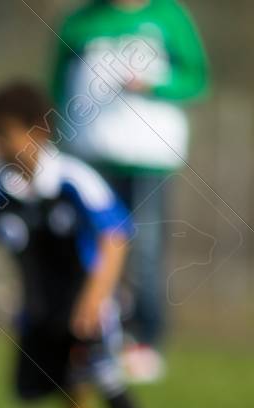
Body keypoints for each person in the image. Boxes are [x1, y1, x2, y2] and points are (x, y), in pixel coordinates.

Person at [0, 81, 166, 408]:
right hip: (39, 304)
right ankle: (74, 383)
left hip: (86, 294)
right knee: (27, 392)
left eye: (4, 134)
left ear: (38, 132)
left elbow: (116, 235)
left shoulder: (72, 179)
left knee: (104, 368)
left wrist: (95, 298)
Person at [52, 0, 209, 383]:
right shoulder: (80, 21)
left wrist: (156, 84)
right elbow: (57, 85)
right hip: (89, 154)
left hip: (147, 156)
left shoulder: (169, 17)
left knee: (144, 251)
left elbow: (196, 78)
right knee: (87, 248)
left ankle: (144, 341)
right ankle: (90, 338)